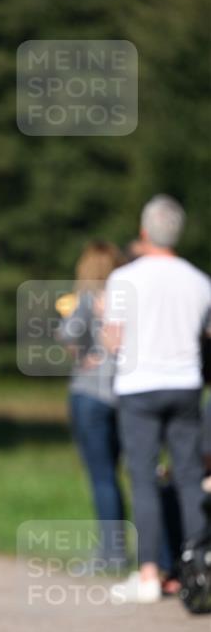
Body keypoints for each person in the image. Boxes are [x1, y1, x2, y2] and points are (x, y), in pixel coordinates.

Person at [104, 195, 211, 603]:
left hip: (138, 386)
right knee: (187, 478)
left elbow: (113, 340)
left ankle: (149, 573)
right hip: (186, 385)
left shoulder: (124, 279)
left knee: (145, 480)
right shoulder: (201, 281)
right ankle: (196, 565)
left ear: (145, 231)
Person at [57, 241, 127, 569]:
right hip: (125, 394)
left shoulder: (86, 300)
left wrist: (86, 350)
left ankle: (111, 555)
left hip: (90, 395)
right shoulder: (129, 301)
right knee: (123, 475)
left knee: (102, 477)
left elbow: (68, 335)